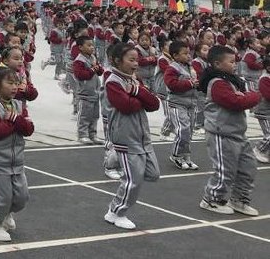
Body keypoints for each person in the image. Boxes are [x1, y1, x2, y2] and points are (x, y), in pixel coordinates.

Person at [102, 42, 161, 230]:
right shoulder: (113, 81)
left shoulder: (135, 81)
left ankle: (114, 159)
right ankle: (117, 212)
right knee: (133, 180)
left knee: (153, 173)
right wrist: (140, 99)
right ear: (117, 61)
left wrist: (137, 92)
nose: (136, 63)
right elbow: (126, 106)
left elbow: (153, 104)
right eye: (131, 60)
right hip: (125, 137)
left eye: (137, 59)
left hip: (142, 136)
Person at [198, 45, 262, 215]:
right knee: (225, 170)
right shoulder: (217, 83)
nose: (235, 64)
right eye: (231, 62)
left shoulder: (231, 81)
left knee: (248, 167)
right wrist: (254, 96)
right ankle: (211, 199)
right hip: (221, 133)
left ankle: (239, 199)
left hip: (237, 131)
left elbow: (243, 97)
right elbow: (236, 102)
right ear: (217, 64)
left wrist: (246, 96)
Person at [0, 66, 34, 243]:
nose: (14, 87)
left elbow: (28, 129)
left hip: (17, 161)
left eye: (16, 83)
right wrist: (13, 121)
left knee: (21, 198)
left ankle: (5, 214)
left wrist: (16, 119)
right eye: (10, 83)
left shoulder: (19, 105)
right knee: (2, 199)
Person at [164, 41, 200, 170]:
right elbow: (171, 84)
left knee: (189, 132)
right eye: (184, 53)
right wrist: (190, 84)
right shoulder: (172, 68)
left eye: (188, 53)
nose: (188, 55)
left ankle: (186, 156)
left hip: (191, 103)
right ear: (175, 55)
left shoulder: (189, 67)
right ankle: (176, 155)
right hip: (177, 103)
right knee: (183, 130)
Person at [72, 36, 104, 145]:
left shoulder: (93, 58)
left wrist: (98, 68)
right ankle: (82, 135)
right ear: (80, 47)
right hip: (85, 93)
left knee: (94, 115)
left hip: (95, 92)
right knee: (85, 115)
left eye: (92, 45)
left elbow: (100, 72)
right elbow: (80, 75)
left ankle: (92, 134)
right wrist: (92, 69)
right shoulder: (79, 61)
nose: (92, 47)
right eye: (89, 45)